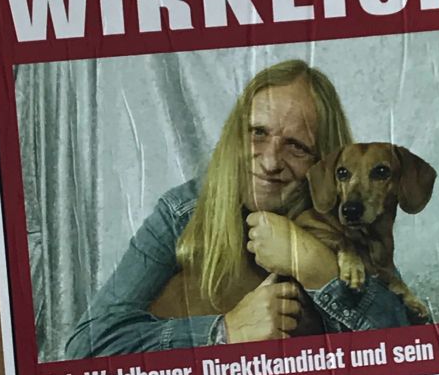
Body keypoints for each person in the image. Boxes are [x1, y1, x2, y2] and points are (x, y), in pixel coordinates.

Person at [64, 60, 410, 359]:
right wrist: (225, 330)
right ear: (235, 135)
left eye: (296, 146)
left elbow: (409, 348)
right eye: (258, 132)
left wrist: (319, 270)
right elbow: (86, 346)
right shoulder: (184, 211)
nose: (271, 162)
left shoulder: (346, 220)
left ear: (326, 163)